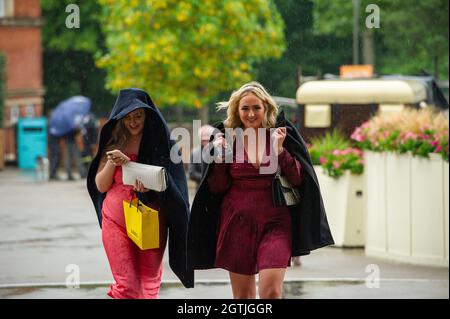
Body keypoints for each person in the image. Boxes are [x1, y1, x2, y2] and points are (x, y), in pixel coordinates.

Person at [187, 82, 334, 299]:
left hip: (275, 223)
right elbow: (218, 187)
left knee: (272, 292)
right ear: (237, 111)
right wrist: (219, 158)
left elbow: (298, 179)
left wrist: (280, 151)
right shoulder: (227, 139)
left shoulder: (280, 135)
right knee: (243, 298)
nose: (251, 113)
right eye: (245, 108)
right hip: (236, 223)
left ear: (266, 109)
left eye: (256, 107)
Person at [86, 88, 194, 299]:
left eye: (138, 116)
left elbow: (173, 184)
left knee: (148, 286)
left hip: (151, 222)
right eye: (127, 118)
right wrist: (111, 162)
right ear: (120, 118)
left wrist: (148, 184)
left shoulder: (162, 143)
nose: (133, 122)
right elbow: (100, 186)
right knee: (127, 286)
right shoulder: (113, 142)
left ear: (148, 115)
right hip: (115, 222)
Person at [188, 125, 215, 190]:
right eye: (204, 140)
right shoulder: (195, 153)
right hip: (201, 189)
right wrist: (207, 179)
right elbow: (192, 173)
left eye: (208, 139)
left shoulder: (220, 152)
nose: (206, 142)